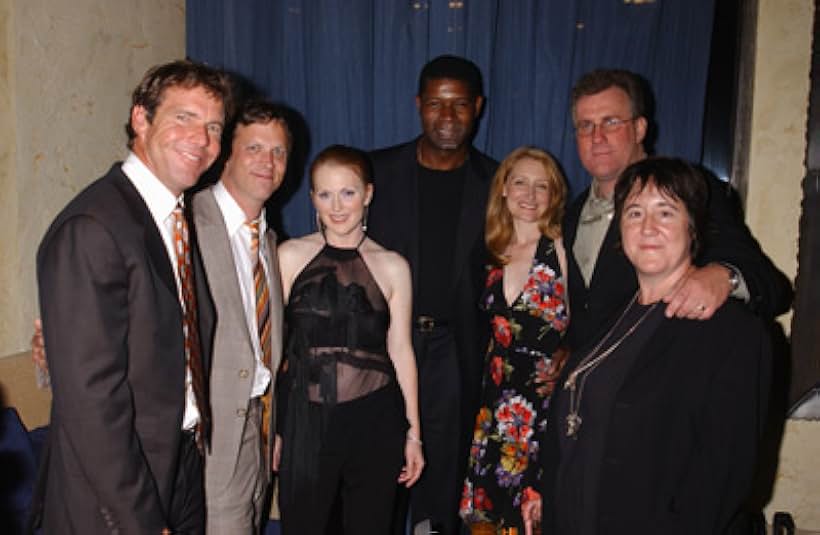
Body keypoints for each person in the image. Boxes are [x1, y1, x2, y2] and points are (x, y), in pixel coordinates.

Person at [32, 60, 231, 533]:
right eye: (184, 117)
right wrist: (139, 516)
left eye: (214, 127)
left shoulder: (174, 222)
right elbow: (92, 401)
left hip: (179, 464)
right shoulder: (94, 227)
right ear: (140, 118)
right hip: (115, 497)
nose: (202, 139)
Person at [523, 157, 772, 534]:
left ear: (694, 228)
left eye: (666, 212)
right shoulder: (615, 316)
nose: (648, 227)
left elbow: (721, 479)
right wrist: (550, 491)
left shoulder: (734, 334)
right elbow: (584, 418)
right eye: (634, 213)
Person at [563, 69, 791, 352]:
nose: (596, 137)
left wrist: (723, 276)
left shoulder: (688, 188)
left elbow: (769, 285)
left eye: (610, 122)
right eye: (585, 126)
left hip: (664, 380)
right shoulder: (569, 215)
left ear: (640, 129)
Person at [369, 54, 498, 534]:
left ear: (478, 107)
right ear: (418, 105)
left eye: (460, 104)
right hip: (383, 350)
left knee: (444, 480)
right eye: (436, 104)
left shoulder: (499, 183)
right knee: (379, 471)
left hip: (458, 352)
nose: (447, 117)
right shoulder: (375, 174)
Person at [275, 145, 424, 534]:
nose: (337, 206)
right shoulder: (288, 257)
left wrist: (414, 435)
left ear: (368, 194)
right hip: (306, 419)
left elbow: (401, 351)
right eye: (325, 194)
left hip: (375, 419)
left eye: (348, 192)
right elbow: (273, 351)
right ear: (312, 199)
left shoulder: (393, 266)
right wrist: (272, 429)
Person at [459, 148, 569, 533]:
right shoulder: (491, 249)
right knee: (485, 522)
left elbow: (587, 325)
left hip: (543, 406)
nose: (530, 194)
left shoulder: (561, 249)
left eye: (542, 186)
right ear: (503, 188)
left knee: (532, 521)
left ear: (554, 195)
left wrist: (567, 360)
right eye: (520, 181)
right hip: (494, 403)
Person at [193, 99, 290, 534]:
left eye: (279, 152)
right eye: (254, 148)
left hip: (259, 427)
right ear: (226, 154)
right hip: (209, 438)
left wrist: (273, 427)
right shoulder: (187, 223)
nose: (267, 162)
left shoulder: (268, 240)